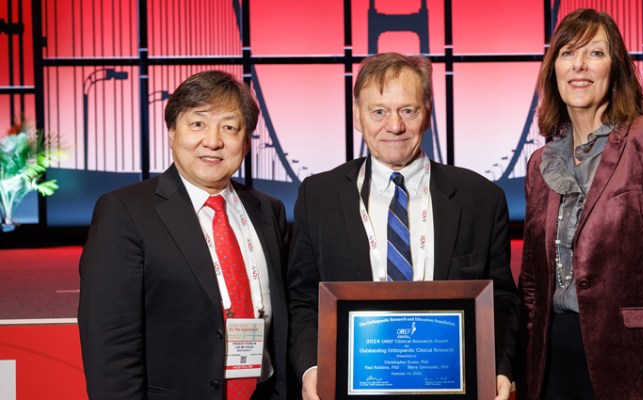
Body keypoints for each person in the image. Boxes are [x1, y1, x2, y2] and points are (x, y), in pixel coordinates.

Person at [287, 52, 521, 400]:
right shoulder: (317, 197)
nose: (394, 126)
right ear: (357, 115)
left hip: (453, 388)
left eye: (408, 110)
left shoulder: (481, 198)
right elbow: (303, 299)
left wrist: (499, 366)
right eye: (378, 111)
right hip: (350, 388)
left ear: (427, 112)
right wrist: (311, 368)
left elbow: (501, 299)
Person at [516, 8, 643, 399]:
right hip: (553, 371)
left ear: (616, 68)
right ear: (553, 69)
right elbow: (532, 288)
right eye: (568, 53)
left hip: (639, 368)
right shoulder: (541, 164)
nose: (580, 65)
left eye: (596, 53)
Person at [78, 70, 293, 399]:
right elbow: (110, 344)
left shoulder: (268, 211)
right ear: (171, 132)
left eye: (229, 127)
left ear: (246, 141)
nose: (213, 141)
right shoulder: (125, 212)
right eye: (198, 124)